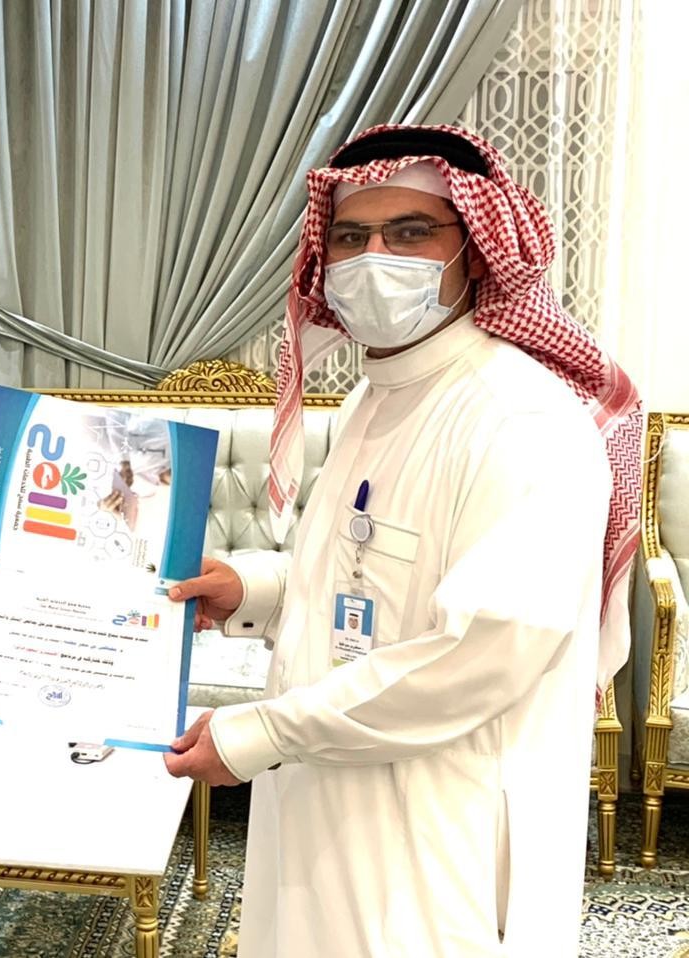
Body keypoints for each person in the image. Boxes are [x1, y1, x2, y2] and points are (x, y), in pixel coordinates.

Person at [163, 124, 642, 956]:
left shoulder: (520, 417)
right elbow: (367, 573)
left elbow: (481, 650)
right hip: (329, 786)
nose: (373, 258)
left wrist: (261, 734)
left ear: (476, 250)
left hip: (440, 822)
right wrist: (252, 593)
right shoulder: (375, 398)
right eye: (351, 237)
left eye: (411, 231)